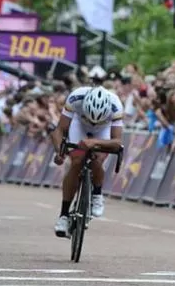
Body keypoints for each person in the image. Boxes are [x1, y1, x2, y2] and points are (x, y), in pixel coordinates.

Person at [50, 86, 125, 237]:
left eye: (97, 120)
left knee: (97, 159)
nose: (94, 123)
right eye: (91, 118)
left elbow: (117, 142)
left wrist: (95, 142)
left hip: (103, 132)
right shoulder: (75, 98)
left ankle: (97, 194)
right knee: (77, 161)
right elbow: (59, 130)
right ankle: (64, 215)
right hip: (79, 126)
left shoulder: (115, 106)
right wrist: (60, 151)